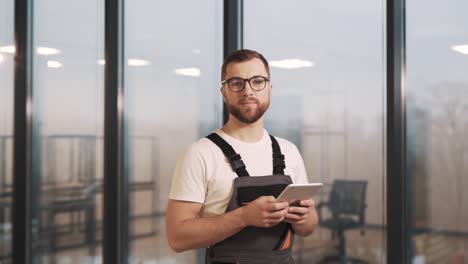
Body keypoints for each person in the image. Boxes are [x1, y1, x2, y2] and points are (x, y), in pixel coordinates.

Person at [166, 49, 318, 264]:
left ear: (270, 90)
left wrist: (305, 218)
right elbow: (177, 237)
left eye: (257, 81)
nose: (248, 91)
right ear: (224, 92)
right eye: (237, 83)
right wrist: (244, 217)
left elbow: (308, 228)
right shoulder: (200, 153)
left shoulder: (289, 151)